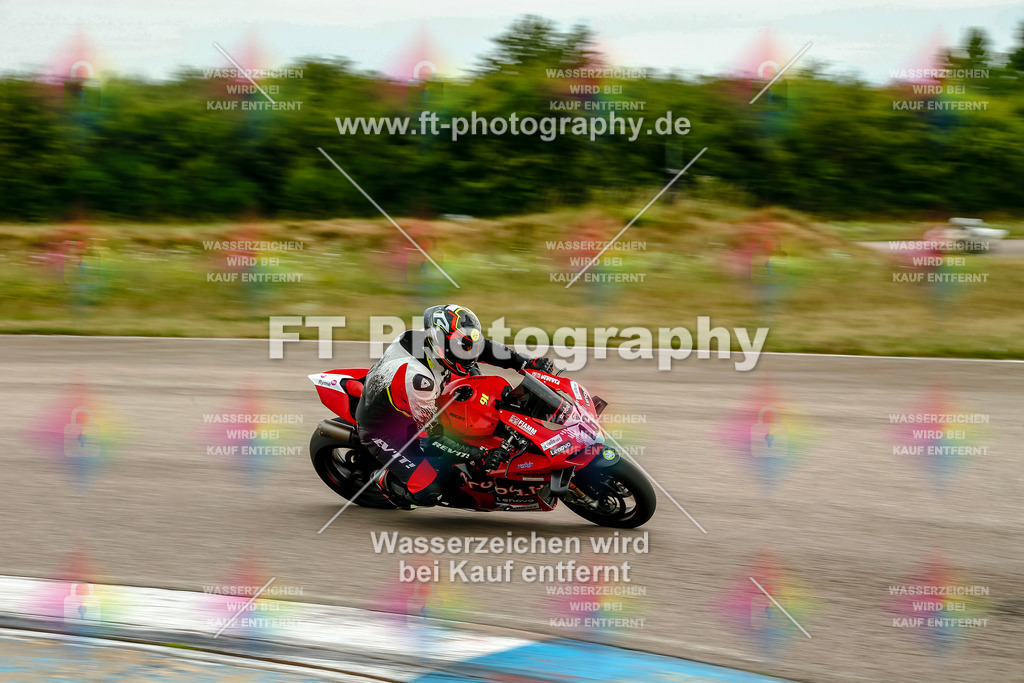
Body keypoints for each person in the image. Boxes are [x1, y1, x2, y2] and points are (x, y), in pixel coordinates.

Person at [356, 304, 554, 508]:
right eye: (462, 348)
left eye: (468, 346)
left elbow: (481, 346)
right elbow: (432, 436)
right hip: (388, 428)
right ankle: (384, 479)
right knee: (430, 491)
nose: (471, 353)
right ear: (440, 343)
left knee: (484, 394)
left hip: (422, 397)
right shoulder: (419, 380)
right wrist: (480, 454)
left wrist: (525, 363)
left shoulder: (431, 343)